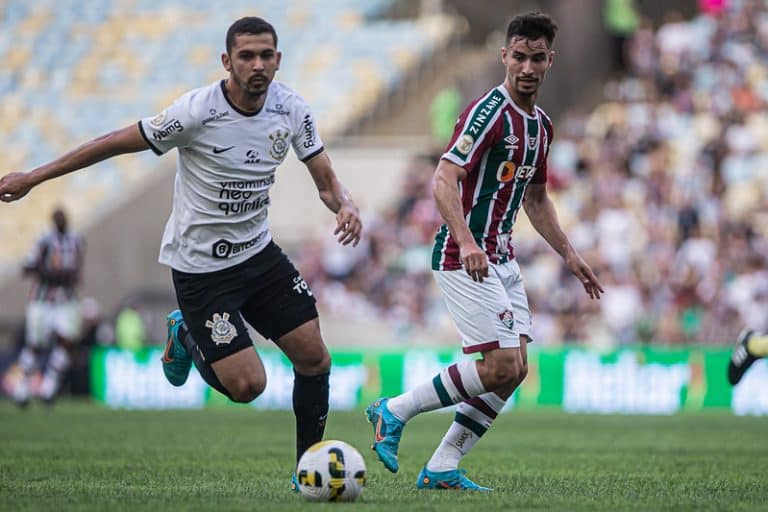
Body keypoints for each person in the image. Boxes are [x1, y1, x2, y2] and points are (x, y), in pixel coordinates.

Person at [0, 17, 362, 488]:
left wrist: (346, 205)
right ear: (226, 61)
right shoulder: (196, 112)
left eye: (266, 55)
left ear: (278, 60)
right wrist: (34, 177)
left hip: (258, 254)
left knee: (315, 358)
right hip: (202, 269)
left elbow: (326, 181)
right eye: (247, 56)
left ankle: (304, 470)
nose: (258, 65)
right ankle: (186, 335)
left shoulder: (292, 110)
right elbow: (112, 143)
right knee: (248, 387)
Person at [366, 12, 604, 491]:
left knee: (513, 373)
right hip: (463, 256)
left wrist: (569, 254)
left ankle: (442, 466)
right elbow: (443, 179)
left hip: (502, 257)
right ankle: (393, 410)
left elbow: (535, 199)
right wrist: (468, 241)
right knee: (500, 366)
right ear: (505, 56)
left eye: (537, 58)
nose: (527, 67)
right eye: (519, 56)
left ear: (550, 61)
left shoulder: (542, 127)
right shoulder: (488, 112)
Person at [11, 207, 85, 407]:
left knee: (66, 340)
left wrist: (71, 276)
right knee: (35, 344)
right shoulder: (44, 240)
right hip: (42, 300)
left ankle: (49, 385)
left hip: (66, 299)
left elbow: (78, 265)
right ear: (53, 221)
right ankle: (23, 387)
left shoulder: (76, 239)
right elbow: (27, 267)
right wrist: (50, 273)